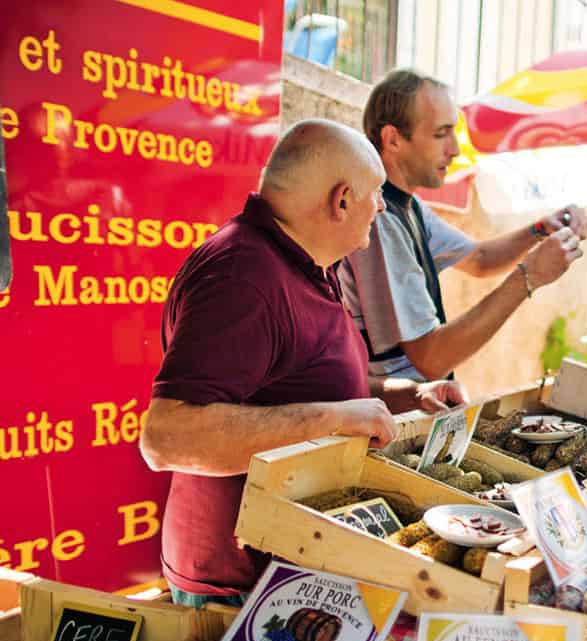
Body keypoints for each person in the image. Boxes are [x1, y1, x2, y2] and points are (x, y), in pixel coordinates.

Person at [139, 119, 462, 607]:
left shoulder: (305, 261)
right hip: (236, 584)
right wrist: (333, 420)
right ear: (341, 200)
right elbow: (168, 437)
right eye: (375, 194)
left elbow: (305, 381)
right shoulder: (242, 276)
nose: (380, 207)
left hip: (286, 562)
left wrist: (405, 394)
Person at [344, 69, 587, 386]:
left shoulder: (408, 206)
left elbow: (481, 258)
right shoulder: (380, 220)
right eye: (441, 133)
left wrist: (540, 228)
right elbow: (431, 359)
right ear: (393, 140)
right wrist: (529, 277)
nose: (455, 148)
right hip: (392, 421)